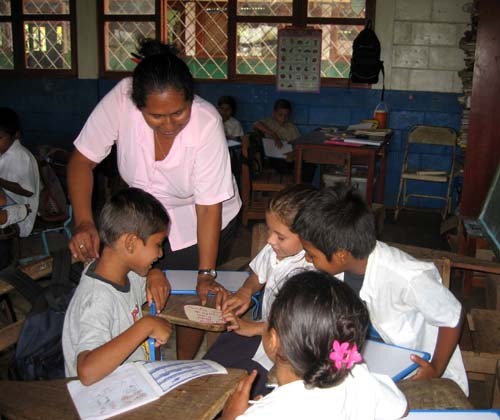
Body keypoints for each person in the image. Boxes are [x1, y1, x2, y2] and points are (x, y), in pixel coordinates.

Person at [67, 38, 241, 359]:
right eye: (156, 116)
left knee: (191, 297)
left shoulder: (206, 123)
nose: (169, 124)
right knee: (131, 275)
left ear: (192, 98)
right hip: (144, 216)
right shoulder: (121, 99)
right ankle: (131, 351)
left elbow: (208, 207)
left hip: (201, 219)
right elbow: (81, 161)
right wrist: (83, 222)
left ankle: (183, 366)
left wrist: (205, 274)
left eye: (179, 112)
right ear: (138, 105)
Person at [292, 184, 469, 395]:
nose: (308, 259)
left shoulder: (407, 276)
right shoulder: (338, 269)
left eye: (312, 254)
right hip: (370, 364)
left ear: (341, 254)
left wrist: (436, 369)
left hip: (419, 371)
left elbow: (453, 316)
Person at [221, 271, 408, 420]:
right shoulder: (358, 376)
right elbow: (401, 408)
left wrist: (230, 416)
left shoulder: (265, 414)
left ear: (273, 340)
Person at [204, 184, 316, 396]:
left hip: (287, 345)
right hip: (262, 330)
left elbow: (295, 326)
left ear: (308, 236)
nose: (270, 240)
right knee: (213, 365)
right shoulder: (274, 250)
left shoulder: (311, 272)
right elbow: (257, 276)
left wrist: (252, 328)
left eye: (280, 236)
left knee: (250, 387)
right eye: (269, 230)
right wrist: (246, 291)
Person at [62, 188, 172, 385]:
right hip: (102, 397)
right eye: (158, 244)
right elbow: (87, 371)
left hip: (128, 379)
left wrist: (156, 273)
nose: (160, 254)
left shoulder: (125, 273)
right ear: (130, 243)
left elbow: (145, 281)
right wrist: (146, 326)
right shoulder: (97, 298)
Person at [0, 107, 40, 268]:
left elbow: (27, 190)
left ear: (15, 135)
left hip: (23, 212)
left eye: (0, 137)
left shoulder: (21, 156)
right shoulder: (4, 152)